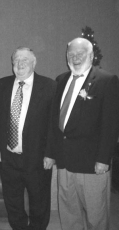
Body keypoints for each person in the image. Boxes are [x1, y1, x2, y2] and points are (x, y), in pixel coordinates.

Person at [46, 37, 119, 230]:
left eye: (80, 54)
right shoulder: (61, 80)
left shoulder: (106, 80)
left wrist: (103, 159)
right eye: (71, 54)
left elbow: (111, 125)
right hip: (64, 162)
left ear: (91, 55)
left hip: (92, 163)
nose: (75, 57)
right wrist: (51, 153)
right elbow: (55, 122)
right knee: (69, 214)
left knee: (96, 215)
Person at [0, 47, 56, 230]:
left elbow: (54, 124)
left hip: (38, 158)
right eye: (16, 61)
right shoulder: (2, 85)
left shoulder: (49, 86)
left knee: (39, 202)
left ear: (34, 63)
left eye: (25, 60)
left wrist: (50, 153)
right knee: (12, 202)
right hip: (9, 156)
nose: (20, 64)